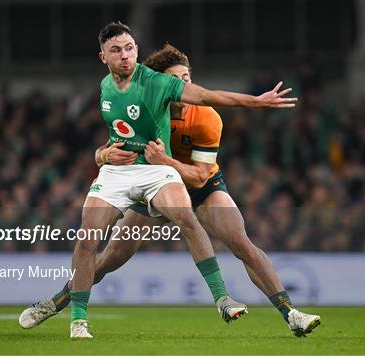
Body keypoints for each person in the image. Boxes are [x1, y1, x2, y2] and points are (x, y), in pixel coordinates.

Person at [20, 43, 320, 337]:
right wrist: (102, 155)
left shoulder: (206, 117)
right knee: (109, 259)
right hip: (152, 185)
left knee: (241, 241)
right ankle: (60, 299)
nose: (183, 86)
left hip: (198, 187)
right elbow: (109, 148)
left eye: (187, 79)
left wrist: (166, 160)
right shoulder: (143, 105)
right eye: (176, 80)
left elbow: (200, 177)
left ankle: (291, 313)